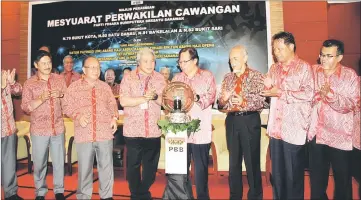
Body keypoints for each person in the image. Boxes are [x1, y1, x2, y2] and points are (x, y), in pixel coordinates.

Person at [261, 31, 314, 200]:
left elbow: (309, 94)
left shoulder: (304, 67)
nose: (276, 53)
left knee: (293, 176)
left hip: (293, 129)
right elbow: (270, 93)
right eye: (274, 49)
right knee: (277, 175)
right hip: (276, 130)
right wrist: (268, 88)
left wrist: (280, 92)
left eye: (279, 48)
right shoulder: (274, 68)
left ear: (291, 47)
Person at [308, 39, 360, 200]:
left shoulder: (349, 75)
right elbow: (304, 97)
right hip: (317, 135)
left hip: (340, 137)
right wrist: (315, 97)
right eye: (322, 55)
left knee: (342, 182)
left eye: (329, 56)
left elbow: (353, 104)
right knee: (317, 183)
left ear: (339, 57)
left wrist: (330, 95)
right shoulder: (313, 72)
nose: (323, 59)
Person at [63, 56, 118, 199]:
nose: (96, 70)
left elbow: (112, 105)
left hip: (104, 133)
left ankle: (107, 196)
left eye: (98, 67)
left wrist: (114, 118)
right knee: (85, 171)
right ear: (83, 70)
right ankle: (83, 196)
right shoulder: (74, 87)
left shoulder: (105, 87)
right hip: (84, 134)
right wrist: (77, 116)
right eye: (92, 67)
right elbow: (66, 106)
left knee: (106, 169)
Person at [218, 45, 265, 199]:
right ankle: (235, 196)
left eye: (236, 58)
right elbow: (220, 105)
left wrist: (244, 101)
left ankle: (255, 196)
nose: (232, 62)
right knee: (234, 164)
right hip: (231, 121)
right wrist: (223, 101)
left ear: (245, 58)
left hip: (249, 120)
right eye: (231, 59)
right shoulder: (227, 78)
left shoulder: (256, 76)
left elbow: (261, 101)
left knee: (252, 163)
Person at [119, 48, 166, 200]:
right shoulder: (128, 78)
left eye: (152, 61)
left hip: (153, 130)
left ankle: (141, 193)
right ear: (138, 62)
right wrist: (143, 98)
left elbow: (165, 102)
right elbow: (123, 100)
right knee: (132, 167)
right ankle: (139, 195)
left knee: (151, 169)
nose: (150, 64)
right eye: (146, 61)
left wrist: (155, 96)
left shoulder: (159, 78)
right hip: (133, 131)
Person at [21, 50, 66, 200]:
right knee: (39, 163)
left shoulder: (59, 79)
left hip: (57, 127)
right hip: (39, 130)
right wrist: (41, 99)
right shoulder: (29, 83)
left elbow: (67, 102)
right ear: (36, 65)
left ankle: (59, 190)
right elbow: (25, 107)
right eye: (43, 63)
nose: (47, 66)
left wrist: (61, 95)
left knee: (59, 162)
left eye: (49, 62)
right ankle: (40, 191)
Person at [172, 47, 216, 199]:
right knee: (181, 171)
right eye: (180, 62)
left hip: (200, 132)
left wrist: (195, 97)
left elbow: (210, 97)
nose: (181, 64)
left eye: (185, 61)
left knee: (200, 172)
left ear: (195, 60)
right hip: (181, 131)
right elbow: (170, 101)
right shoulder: (177, 78)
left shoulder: (207, 76)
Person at [1, 68, 24, 200]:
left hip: (8, 128)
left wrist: (12, 83)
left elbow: (19, 91)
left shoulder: (3, 73)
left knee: (9, 163)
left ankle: (10, 193)